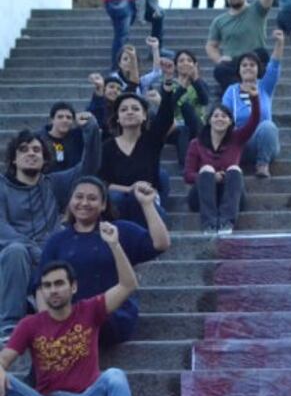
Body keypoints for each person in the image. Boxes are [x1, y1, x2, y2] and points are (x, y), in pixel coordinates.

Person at [0, 241, 148, 396]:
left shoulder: (90, 310)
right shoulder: (30, 324)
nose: (53, 290)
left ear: (73, 287)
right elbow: (5, 358)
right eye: (47, 285)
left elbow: (128, 285)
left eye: (59, 283)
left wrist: (115, 245)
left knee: (114, 375)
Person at [0, 116, 100, 343]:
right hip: (14, 259)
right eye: (24, 149)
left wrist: (91, 132)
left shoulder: (53, 183)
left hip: (52, 257)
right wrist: (37, 251)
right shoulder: (1, 187)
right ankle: (9, 327)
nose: (31, 153)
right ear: (14, 159)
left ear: (44, 159)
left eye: (37, 150)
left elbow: (88, 168)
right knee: (15, 251)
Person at [38, 177, 168, 347]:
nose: (84, 203)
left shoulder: (119, 230)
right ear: (70, 201)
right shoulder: (57, 241)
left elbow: (160, 243)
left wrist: (147, 204)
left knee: (89, 321)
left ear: (103, 205)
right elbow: (41, 286)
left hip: (113, 317)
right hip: (68, 318)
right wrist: (47, 324)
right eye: (79, 197)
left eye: (92, 198)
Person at [184, 84, 261, 234]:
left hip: (231, 197)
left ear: (231, 121)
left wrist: (254, 98)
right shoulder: (196, 143)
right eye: (216, 116)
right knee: (206, 169)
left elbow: (254, 120)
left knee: (234, 169)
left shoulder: (237, 138)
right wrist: (212, 177)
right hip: (201, 197)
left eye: (224, 116)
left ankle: (227, 223)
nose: (220, 119)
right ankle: (209, 224)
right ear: (209, 120)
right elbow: (188, 175)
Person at [98, 85, 175, 226]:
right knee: (116, 198)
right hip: (118, 200)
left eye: (135, 109)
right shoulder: (107, 146)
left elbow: (166, 118)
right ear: (118, 118)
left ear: (144, 115)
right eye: (124, 110)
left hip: (147, 199)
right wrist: (129, 189)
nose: (129, 112)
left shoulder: (152, 139)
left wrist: (167, 90)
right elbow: (102, 182)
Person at [206, 0, 276, 92]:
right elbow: (210, 46)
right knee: (220, 70)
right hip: (234, 64)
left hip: (255, 60)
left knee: (262, 54)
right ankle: (241, 92)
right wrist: (219, 59)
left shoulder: (257, 9)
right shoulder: (219, 21)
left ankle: (249, 89)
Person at [221, 30, 285, 178]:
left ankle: (262, 165)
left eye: (252, 65)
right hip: (241, 144)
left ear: (258, 69)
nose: (248, 67)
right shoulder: (231, 91)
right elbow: (225, 115)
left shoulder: (264, 87)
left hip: (265, 143)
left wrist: (279, 43)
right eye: (244, 65)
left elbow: (274, 65)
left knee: (268, 126)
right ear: (239, 70)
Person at [170, 50, 210, 167]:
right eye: (181, 61)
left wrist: (195, 79)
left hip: (197, 126)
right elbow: (168, 107)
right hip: (176, 128)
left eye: (189, 60)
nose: (185, 63)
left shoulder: (200, 83)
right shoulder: (169, 84)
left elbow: (205, 100)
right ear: (176, 66)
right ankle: (186, 166)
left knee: (187, 108)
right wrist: (182, 86)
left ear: (195, 65)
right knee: (183, 130)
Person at [40, 102, 84, 173]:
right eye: (60, 117)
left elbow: (91, 118)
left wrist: (80, 117)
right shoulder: (40, 139)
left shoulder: (78, 137)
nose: (65, 120)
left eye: (69, 117)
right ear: (52, 120)